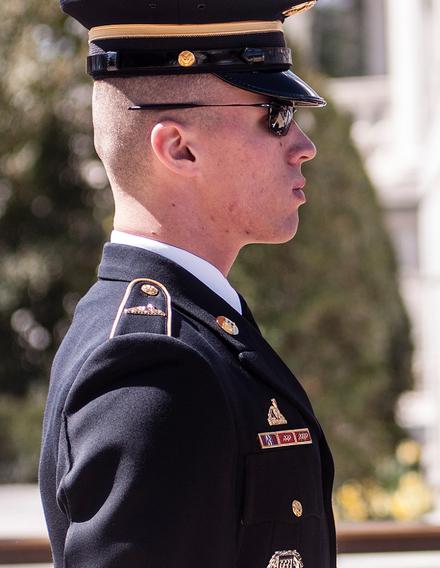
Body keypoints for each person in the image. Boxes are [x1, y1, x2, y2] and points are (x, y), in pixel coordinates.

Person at [39, 2, 335, 567]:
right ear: (179, 148)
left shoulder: (194, 333)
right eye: (275, 115)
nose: (303, 145)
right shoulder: (153, 366)